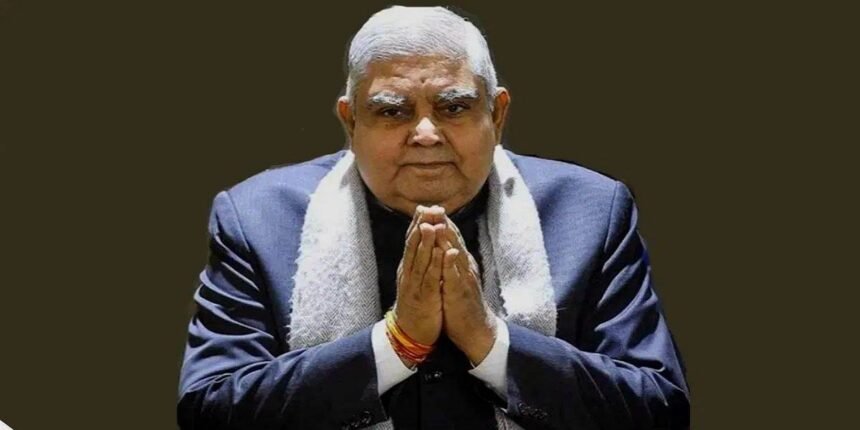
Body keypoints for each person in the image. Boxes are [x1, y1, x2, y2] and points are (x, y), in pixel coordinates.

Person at [177, 5, 690, 429]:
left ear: (498, 115)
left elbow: (658, 408)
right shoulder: (260, 218)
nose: (425, 134)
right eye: (392, 111)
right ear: (350, 122)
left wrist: (490, 341)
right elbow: (210, 409)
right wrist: (395, 342)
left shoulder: (589, 211)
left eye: (453, 107)